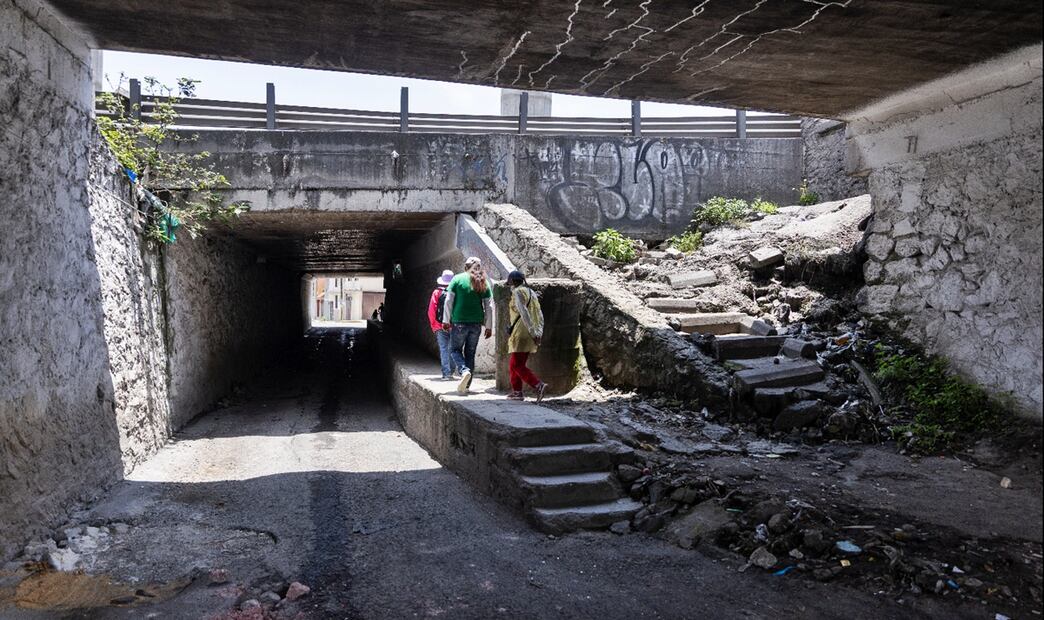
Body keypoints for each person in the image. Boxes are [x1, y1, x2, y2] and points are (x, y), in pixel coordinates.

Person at [442, 256, 493, 395]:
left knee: (454, 350)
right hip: (476, 324)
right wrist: (489, 326)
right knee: (470, 353)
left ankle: (464, 371)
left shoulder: (457, 279)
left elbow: (448, 300)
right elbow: (489, 306)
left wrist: (446, 320)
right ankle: (466, 387)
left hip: (459, 323)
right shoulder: (483, 281)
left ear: (466, 267)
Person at [504, 270, 548, 402]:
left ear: (512, 282)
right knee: (515, 364)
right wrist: (538, 331)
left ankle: (538, 385)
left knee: (517, 365)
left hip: (522, 332)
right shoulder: (531, 293)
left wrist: (533, 331)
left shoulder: (517, 292)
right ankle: (517, 392)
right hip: (530, 331)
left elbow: (524, 313)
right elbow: (539, 314)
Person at [427, 269, 457, 380]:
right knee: (453, 348)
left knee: (444, 349)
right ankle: (452, 371)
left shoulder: (437, 292)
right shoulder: (456, 292)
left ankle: (446, 373)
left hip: (440, 326)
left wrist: (434, 326)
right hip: (454, 326)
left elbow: (431, 311)